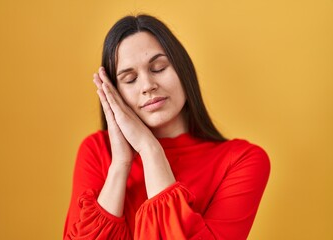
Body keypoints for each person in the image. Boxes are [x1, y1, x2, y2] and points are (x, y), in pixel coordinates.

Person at [64, 14, 270, 240]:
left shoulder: (242, 160)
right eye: (130, 79)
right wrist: (121, 163)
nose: (147, 86)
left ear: (183, 71)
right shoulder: (96, 150)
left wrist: (149, 149)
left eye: (159, 68)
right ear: (114, 92)